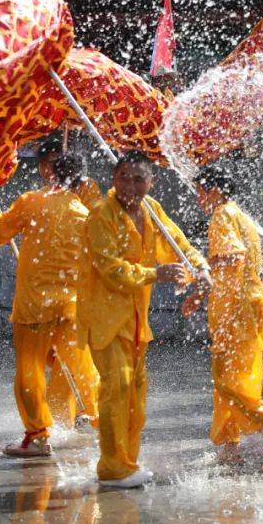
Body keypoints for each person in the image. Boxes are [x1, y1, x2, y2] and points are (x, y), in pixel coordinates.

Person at [83, 152, 209, 487]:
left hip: (138, 321)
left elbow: (178, 244)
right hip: (105, 318)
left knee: (135, 397)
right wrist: (156, 273)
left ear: (152, 182)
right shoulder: (100, 215)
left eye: (139, 179)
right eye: (123, 177)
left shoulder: (152, 209)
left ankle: (128, 462)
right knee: (117, 388)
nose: (130, 185)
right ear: (113, 178)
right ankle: (112, 468)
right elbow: (112, 270)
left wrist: (200, 269)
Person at [0, 154, 100, 457]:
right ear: (80, 181)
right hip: (71, 305)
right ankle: (101, 422)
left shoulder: (32, 201)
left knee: (29, 370)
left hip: (35, 305)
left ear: (50, 173)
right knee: (82, 367)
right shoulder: (84, 213)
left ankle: (37, 436)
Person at [194, 166, 263, 467]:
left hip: (236, 308)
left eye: (200, 191)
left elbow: (233, 256)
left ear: (214, 190)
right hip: (251, 304)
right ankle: (230, 448)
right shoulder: (243, 217)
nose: (198, 198)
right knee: (235, 377)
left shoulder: (221, 214)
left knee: (227, 381)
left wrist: (202, 274)